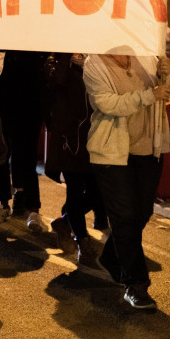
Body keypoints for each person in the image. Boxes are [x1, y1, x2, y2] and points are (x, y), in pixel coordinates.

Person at [83, 49, 170, 311]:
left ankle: (112, 257)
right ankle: (136, 284)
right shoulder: (94, 63)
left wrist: (166, 74)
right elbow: (106, 104)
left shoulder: (146, 56)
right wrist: (150, 95)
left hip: (148, 148)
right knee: (124, 216)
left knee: (142, 211)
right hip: (112, 152)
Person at [44, 53, 102, 266]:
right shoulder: (57, 61)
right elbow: (54, 82)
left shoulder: (95, 61)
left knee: (98, 192)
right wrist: (66, 56)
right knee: (75, 191)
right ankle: (82, 241)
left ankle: (65, 222)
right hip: (70, 140)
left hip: (95, 136)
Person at [0, 51, 49, 232]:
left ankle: (33, 210)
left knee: (27, 159)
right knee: (0, 157)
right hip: (1, 107)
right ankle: (3, 203)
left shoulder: (30, 45)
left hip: (28, 107)